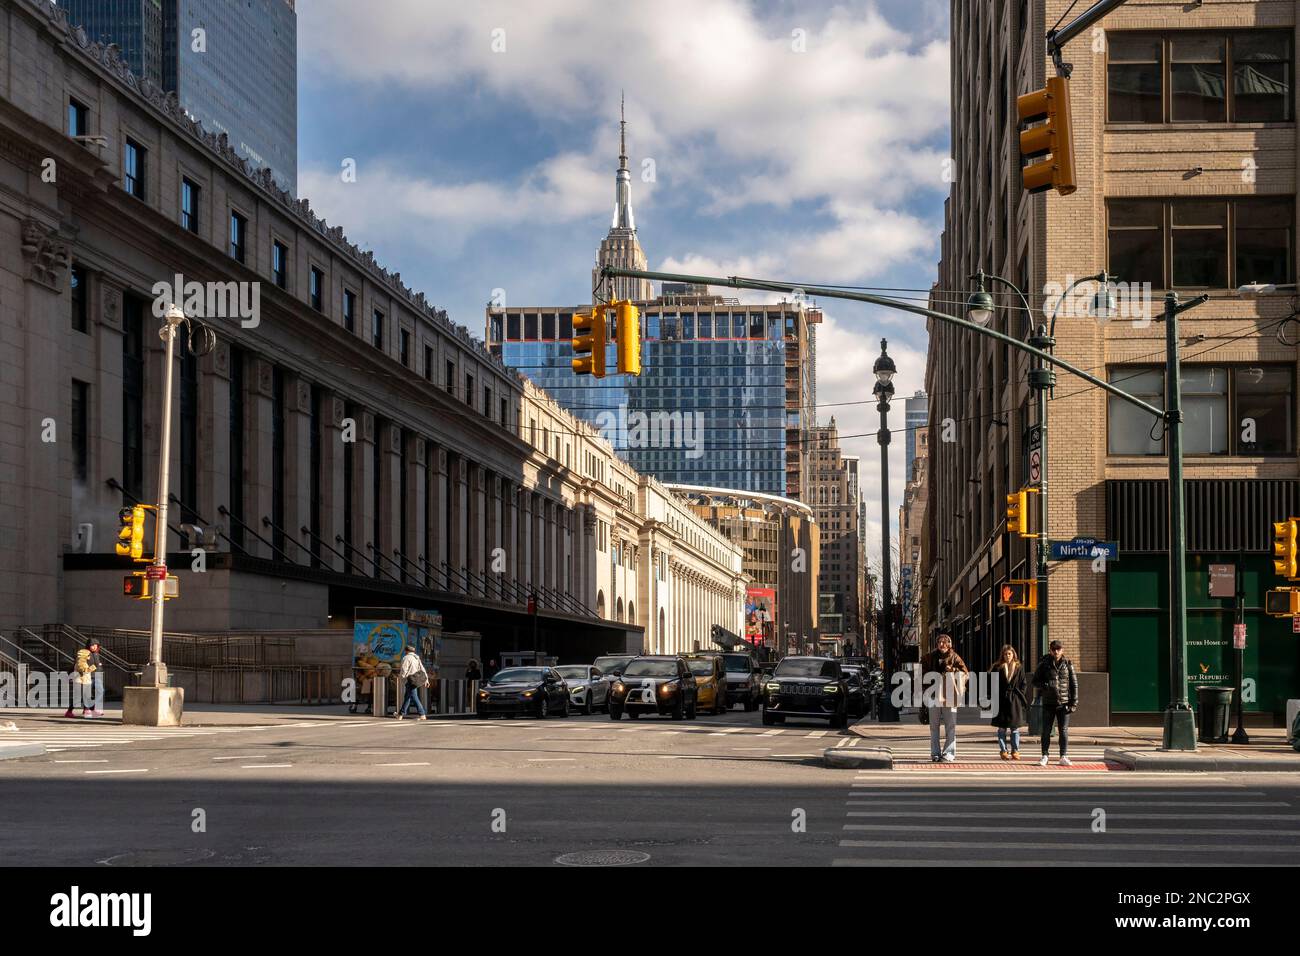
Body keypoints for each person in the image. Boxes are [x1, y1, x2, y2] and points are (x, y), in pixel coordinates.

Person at [920, 633, 968, 762]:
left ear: (949, 644)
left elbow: (965, 674)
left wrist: (952, 669)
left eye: (945, 642)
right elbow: (921, 674)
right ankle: (935, 753)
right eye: (940, 642)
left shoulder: (955, 657)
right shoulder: (928, 658)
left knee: (951, 726)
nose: (942, 644)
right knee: (934, 726)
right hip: (933, 695)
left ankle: (948, 754)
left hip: (950, 696)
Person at [1033, 640, 1078, 766]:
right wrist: (1045, 685)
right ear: (1050, 650)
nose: (1056, 651)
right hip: (1048, 703)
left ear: (1062, 650)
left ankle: (1063, 756)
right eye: (1054, 649)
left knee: (1063, 730)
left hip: (1064, 703)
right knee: (1046, 730)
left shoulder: (1068, 664)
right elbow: (1035, 681)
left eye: (1058, 649)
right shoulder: (1044, 664)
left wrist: (1074, 702)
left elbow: (1074, 684)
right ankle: (1045, 756)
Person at [990, 645, 1027, 760]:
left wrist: (1019, 695)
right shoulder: (997, 667)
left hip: (1014, 700)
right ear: (1003, 655)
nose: (1007, 656)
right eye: (1005, 654)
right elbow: (992, 683)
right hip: (1001, 700)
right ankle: (1003, 751)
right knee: (1002, 728)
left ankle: (1015, 751)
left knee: (1014, 728)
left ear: (1013, 655)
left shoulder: (1019, 667)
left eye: (1009, 654)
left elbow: (1023, 683)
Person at [396, 644, 429, 720]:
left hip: (410, 680)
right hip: (416, 680)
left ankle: (422, 714)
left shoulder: (406, 658)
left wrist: (402, 678)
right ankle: (400, 714)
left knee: (414, 697)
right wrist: (426, 680)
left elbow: (404, 670)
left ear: (406, 651)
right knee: (407, 697)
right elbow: (423, 669)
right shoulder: (416, 658)